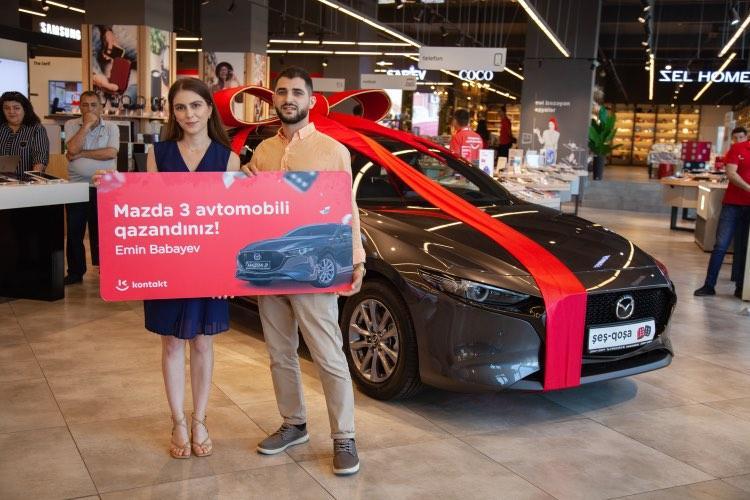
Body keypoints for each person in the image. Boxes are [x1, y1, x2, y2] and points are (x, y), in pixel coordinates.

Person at [96, 78, 240, 459]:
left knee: (203, 343)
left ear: (209, 109)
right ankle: (177, 420)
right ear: (172, 113)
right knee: (172, 343)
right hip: (168, 262)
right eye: (180, 107)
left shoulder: (229, 159)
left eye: (195, 105)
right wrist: (112, 187)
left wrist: (228, 272)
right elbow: (146, 206)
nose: (188, 114)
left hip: (208, 267)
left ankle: (200, 420)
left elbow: (233, 222)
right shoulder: (157, 154)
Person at [242, 66, 365, 476]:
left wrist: (357, 258)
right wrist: (244, 181)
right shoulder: (262, 152)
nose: (288, 98)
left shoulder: (332, 150)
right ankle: (293, 424)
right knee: (280, 353)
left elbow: (347, 207)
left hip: (314, 268)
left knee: (327, 353)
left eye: (297, 92)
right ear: (273, 99)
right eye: (281, 92)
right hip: (273, 268)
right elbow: (255, 209)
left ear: (311, 100)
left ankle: (344, 435)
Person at [63, 90, 120, 285]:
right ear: (80, 107)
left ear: (101, 107)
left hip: (104, 185)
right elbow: (72, 149)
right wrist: (86, 125)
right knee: (74, 232)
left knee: (104, 232)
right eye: (85, 105)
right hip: (76, 185)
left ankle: (106, 269)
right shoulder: (71, 125)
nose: (89, 109)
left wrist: (81, 154)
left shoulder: (111, 127)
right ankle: (75, 272)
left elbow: (110, 153)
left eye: (93, 105)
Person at [695, 126, 750, 299]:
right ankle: (709, 285)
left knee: (744, 249)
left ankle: (741, 288)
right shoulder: (738, 148)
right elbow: (731, 173)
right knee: (720, 245)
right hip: (732, 205)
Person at [0, 91, 49, 178]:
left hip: (26, 182)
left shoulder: (36, 129)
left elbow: (40, 160)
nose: (11, 111)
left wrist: (32, 181)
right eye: (6, 108)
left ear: (25, 109)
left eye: (16, 108)